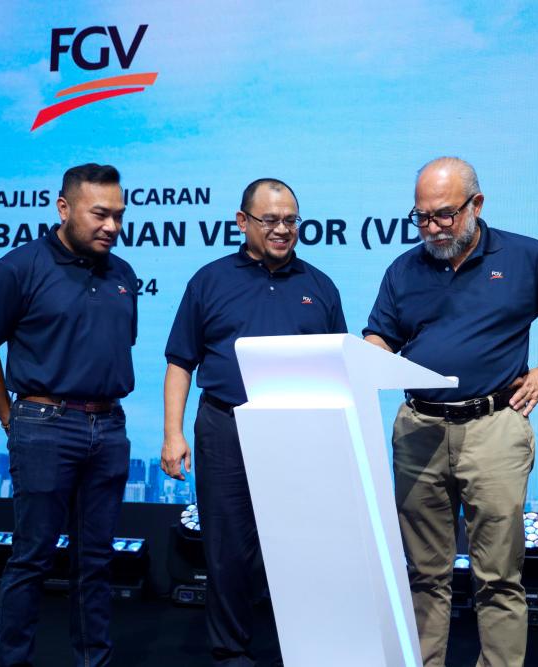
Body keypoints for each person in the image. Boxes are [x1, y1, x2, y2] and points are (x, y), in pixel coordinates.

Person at [363, 157, 538, 667]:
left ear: (477, 204)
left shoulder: (524, 256)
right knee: (425, 574)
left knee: (498, 577)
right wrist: (372, 355)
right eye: (421, 216)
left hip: (495, 428)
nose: (432, 227)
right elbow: (380, 333)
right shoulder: (403, 269)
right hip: (418, 430)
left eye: (444, 214)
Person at [161, 178, 347, 666]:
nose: (282, 229)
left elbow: (338, 366)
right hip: (225, 426)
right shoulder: (209, 281)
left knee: (299, 546)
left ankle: (304, 646)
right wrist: (173, 433)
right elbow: (180, 360)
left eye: (291, 220)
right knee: (226, 546)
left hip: (300, 434)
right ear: (243, 222)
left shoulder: (320, 287)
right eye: (270, 220)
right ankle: (231, 652)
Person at [0, 163, 137, 667]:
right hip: (44, 425)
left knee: (97, 562)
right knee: (32, 559)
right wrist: (9, 417)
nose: (111, 226)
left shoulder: (123, 274)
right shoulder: (18, 268)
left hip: (109, 426)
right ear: (63, 209)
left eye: (119, 216)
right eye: (99, 214)